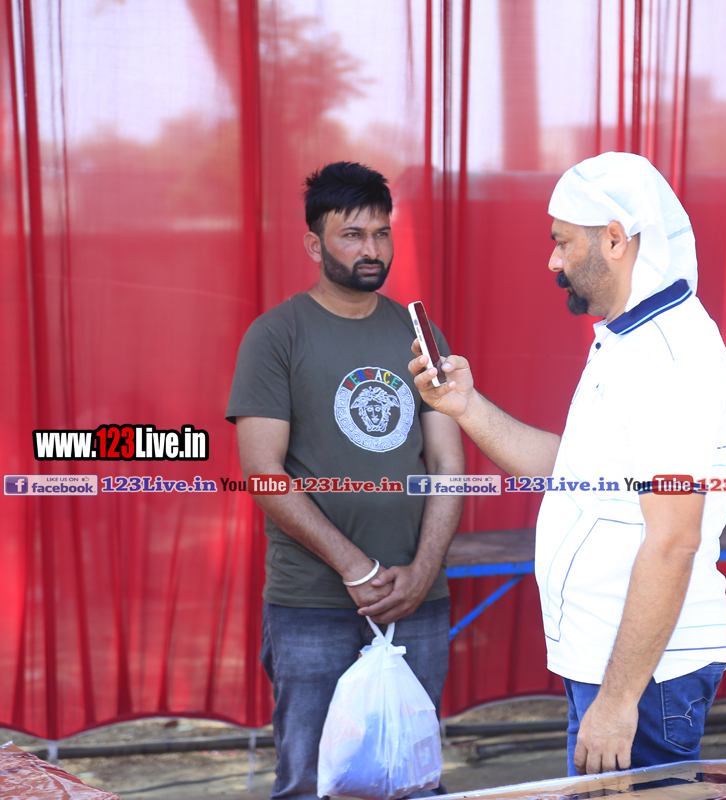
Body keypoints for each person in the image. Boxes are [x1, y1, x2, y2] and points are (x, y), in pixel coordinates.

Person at [408, 152, 726, 776]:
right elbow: (575, 471)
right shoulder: (627, 339)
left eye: (562, 242)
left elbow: (673, 540)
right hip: (616, 668)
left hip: (643, 681)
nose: (553, 261)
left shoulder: (667, 358)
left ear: (615, 239)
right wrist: (465, 406)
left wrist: (616, 702)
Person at [226, 161, 464, 800]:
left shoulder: (420, 336)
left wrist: (422, 571)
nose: (372, 250)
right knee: (311, 782)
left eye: (381, 234)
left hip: (416, 600)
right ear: (315, 245)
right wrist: (356, 568)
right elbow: (263, 472)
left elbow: (447, 465)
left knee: (411, 781)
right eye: (353, 235)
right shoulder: (276, 336)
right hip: (313, 604)